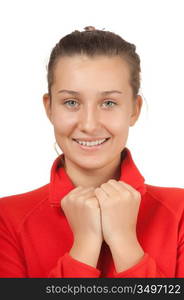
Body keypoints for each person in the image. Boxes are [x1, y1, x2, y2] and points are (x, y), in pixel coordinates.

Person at [0, 26, 184, 278]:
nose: (88, 124)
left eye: (108, 103)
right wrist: (84, 247)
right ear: (49, 108)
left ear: (134, 110)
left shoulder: (179, 213)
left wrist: (124, 242)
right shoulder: (6, 219)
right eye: (71, 102)